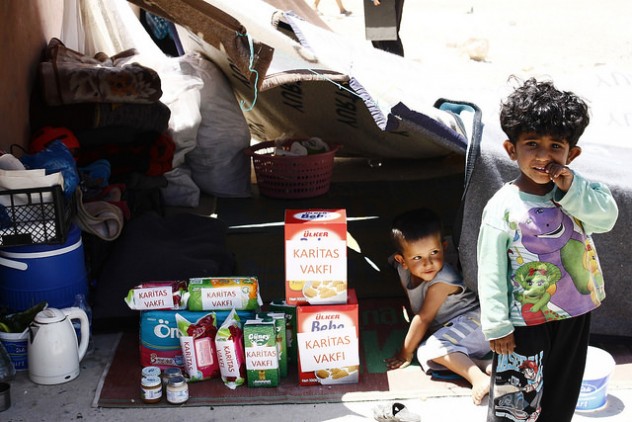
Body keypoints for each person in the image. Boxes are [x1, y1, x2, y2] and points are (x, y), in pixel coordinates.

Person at [477, 78, 619, 421]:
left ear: (572, 154)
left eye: (556, 146)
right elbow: (490, 269)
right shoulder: (503, 206)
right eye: (532, 144)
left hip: (574, 315)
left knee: (561, 397)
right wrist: (497, 326)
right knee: (516, 404)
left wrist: (572, 189)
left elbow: (606, 219)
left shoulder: (580, 192)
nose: (544, 156)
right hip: (522, 325)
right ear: (511, 150)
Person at [387, 208, 492, 405]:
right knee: (426, 353)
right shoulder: (402, 270)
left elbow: (424, 317)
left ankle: (478, 379)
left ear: (444, 247)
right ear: (402, 261)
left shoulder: (443, 280)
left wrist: (404, 353)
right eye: (417, 258)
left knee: (432, 347)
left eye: (434, 253)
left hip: (477, 323)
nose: (428, 263)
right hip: (456, 328)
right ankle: (483, 364)